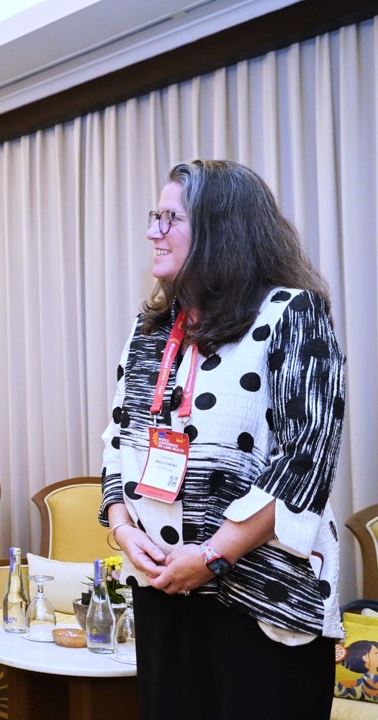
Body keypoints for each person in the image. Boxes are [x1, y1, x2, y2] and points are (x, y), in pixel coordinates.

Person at [100, 160, 346, 719]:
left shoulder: (292, 314)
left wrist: (212, 556)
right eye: (154, 216)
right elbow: (119, 439)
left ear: (221, 228)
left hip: (261, 595)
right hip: (164, 586)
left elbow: (306, 460)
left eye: (170, 218)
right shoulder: (152, 330)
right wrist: (122, 528)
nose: (153, 231)